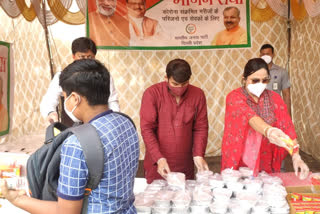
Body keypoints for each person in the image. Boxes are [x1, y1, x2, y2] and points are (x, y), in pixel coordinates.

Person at [1, 59, 140, 213]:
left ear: (74, 98)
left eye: (65, 96)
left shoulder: (76, 144)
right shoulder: (126, 123)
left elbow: (66, 212)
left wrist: (17, 199)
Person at [221, 58, 309, 179]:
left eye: (265, 80)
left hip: (266, 159)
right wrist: (269, 131)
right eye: (255, 80)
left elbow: (288, 128)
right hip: (240, 159)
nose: (260, 84)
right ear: (244, 79)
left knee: (266, 190)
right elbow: (250, 117)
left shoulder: (275, 98)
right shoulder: (234, 97)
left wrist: (295, 155)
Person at [140, 58, 209, 184]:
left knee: (183, 199)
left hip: (185, 164)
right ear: (166, 78)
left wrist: (199, 155)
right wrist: (159, 159)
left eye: (184, 84)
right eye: (175, 84)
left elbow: (201, 127)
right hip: (158, 164)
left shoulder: (198, 94)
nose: (180, 88)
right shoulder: (152, 94)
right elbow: (147, 129)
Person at [40, 37, 119, 125]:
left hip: (98, 124)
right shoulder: (63, 76)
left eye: (90, 57)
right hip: (70, 126)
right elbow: (49, 99)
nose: (85, 61)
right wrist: (50, 113)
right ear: (73, 56)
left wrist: (114, 121)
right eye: (81, 57)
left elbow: (112, 101)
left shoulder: (103, 76)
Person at [260, 43, 292, 117]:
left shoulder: (281, 72)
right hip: (260, 111)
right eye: (263, 54)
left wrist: (288, 116)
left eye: (267, 54)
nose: (265, 56)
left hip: (276, 110)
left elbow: (286, 94)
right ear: (260, 56)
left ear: (273, 55)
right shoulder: (255, 72)